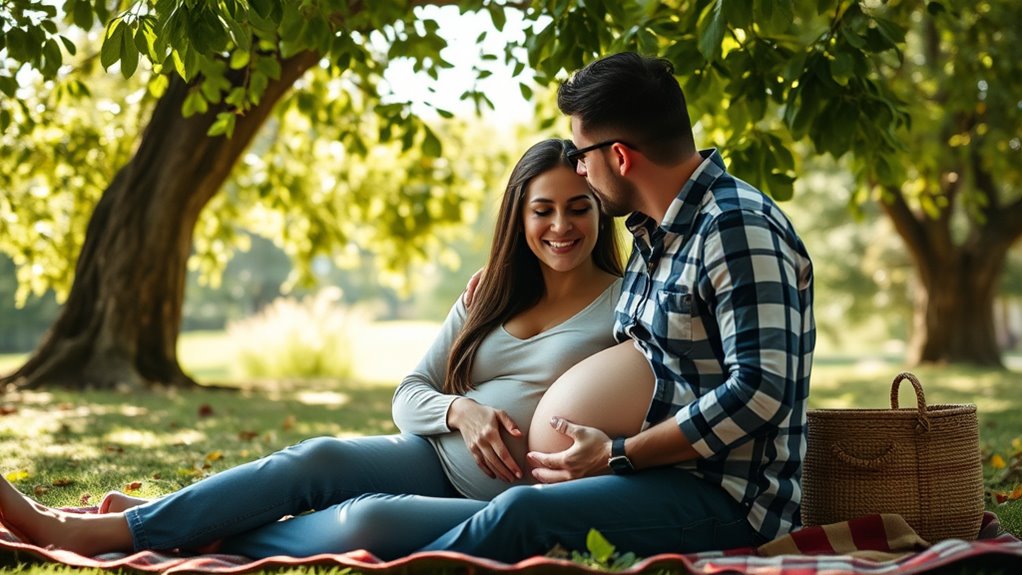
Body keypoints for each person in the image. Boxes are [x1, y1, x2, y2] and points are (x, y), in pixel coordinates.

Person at [0, 138, 630, 560]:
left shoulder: (627, 304)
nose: (560, 226)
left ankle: (187, 523)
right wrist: (457, 411)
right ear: (517, 220)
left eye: (579, 208)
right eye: (541, 210)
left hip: (503, 499)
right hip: (432, 453)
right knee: (318, 458)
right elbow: (408, 395)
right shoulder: (487, 294)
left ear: (600, 212)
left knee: (367, 523)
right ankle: (85, 531)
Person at [412, 51, 816, 562]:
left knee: (523, 516)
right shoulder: (655, 237)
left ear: (620, 157)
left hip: (725, 500)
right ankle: (343, 538)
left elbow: (761, 391)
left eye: (582, 154)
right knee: (378, 509)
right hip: (651, 479)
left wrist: (617, 456)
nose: (580, 166)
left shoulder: (735, 227)